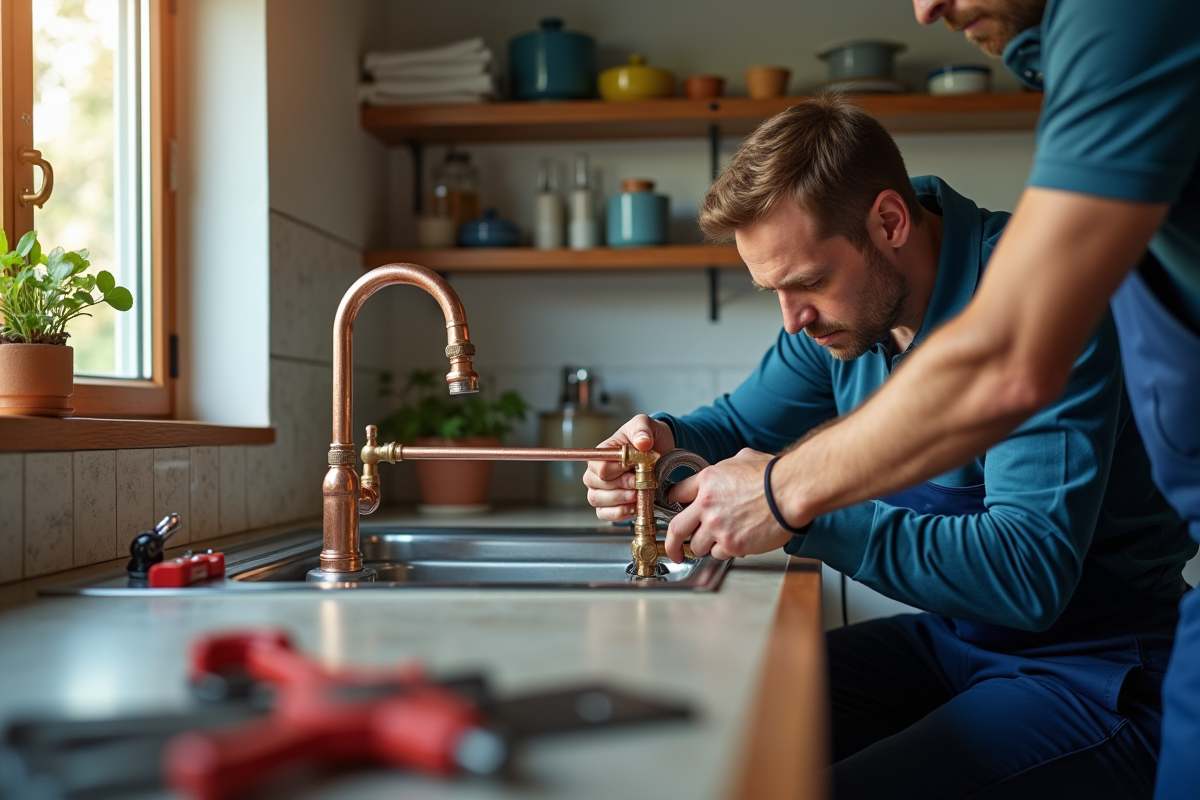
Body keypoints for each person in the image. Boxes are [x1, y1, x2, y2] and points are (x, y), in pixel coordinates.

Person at [619, 2, 1199, 797]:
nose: (793, 322)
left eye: (806, 284)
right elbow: (732, 427)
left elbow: (1026, 575)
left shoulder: (1033, 297)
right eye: (773, 293)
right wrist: (654, 442)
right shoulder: (844, 321)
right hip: (956, 647)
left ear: (889, 221)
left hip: (1097, 669)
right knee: (712, 716)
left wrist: (798, 509)